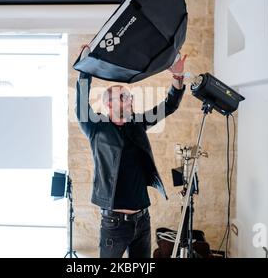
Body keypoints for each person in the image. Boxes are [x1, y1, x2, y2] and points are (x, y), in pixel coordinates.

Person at [75, 45, 187, 258]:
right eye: (124, 97)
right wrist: (85, 68)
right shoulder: (96, 128)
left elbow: (169, 105)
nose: (130, 100)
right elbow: (80, 105)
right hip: (114, 224)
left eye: (130, 97)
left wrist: (178, 76)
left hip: (142, 220)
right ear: (108, 103)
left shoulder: (137, 123)